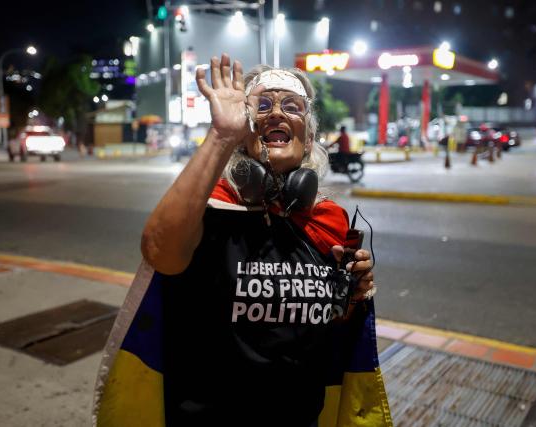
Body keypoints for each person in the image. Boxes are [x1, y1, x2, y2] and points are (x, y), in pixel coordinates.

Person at [135, 54, 386, 426]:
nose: (276, 114)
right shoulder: (213, 209)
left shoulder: (328, 220)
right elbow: (160, 252)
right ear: (245, 134)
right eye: (263, 106)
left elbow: (328, 324)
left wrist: (352, 293)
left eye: (291, 106)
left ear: (310, 136)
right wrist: (221, 133)